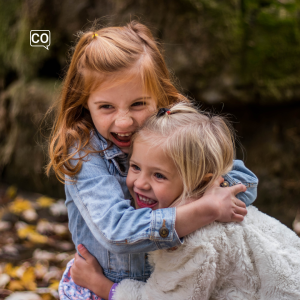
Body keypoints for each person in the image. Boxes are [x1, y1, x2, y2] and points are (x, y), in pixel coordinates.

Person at [46, 21, 257, 299]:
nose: (124, 121)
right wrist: (203, 209)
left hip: (170, 284)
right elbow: (117, 232)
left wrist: (202, 188)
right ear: (85, 102)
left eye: (138, 104)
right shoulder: (84, 153)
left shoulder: (172, 133)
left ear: (159, 97)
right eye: (106, 107)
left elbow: (245, 183)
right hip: (107, 286)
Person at [71, 103, 300, 300]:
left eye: (159, 175)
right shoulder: (218, 201)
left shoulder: (196, 240)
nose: (140, 183)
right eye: (135, 167)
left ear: (200, 182)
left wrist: (99, 285)